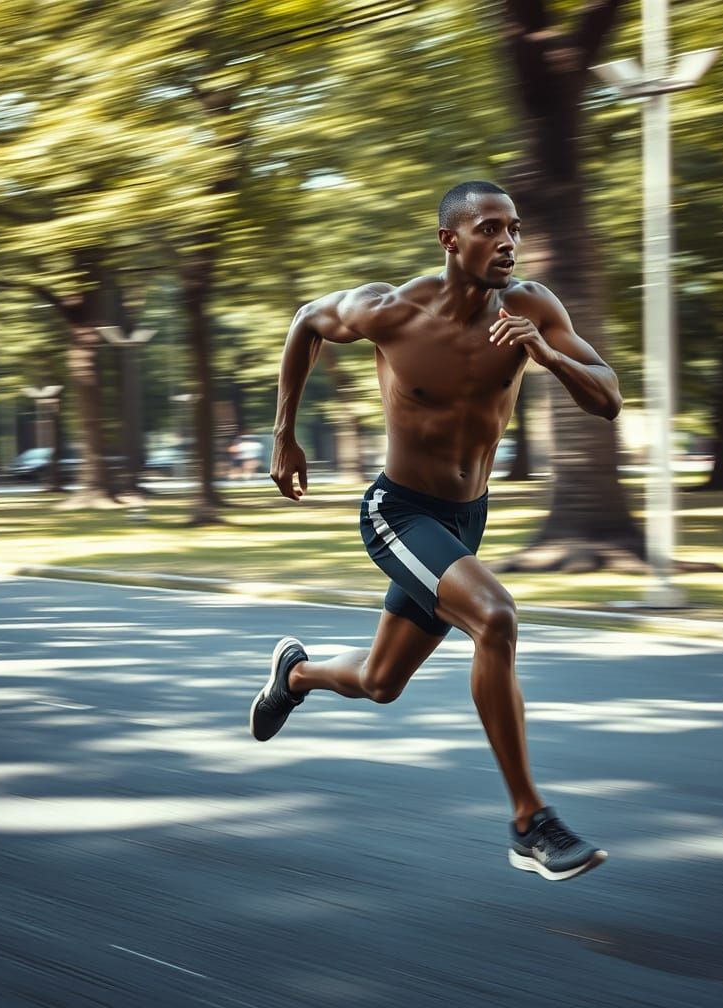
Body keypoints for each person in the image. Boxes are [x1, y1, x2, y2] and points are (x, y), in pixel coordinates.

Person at [250, 181, 622, 881]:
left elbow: (608, 400)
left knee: (381, 681)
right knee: (496, 616)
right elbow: (305, 320)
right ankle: (529, 821)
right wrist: (284, 437)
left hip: (464, 519)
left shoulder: (531, 309)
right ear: (451, 240)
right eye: (490, 229)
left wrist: (548, 354)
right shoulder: (391, 312)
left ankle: (294, 676)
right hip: (398, 513)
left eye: (515, 229)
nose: (508, 243)